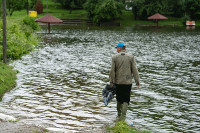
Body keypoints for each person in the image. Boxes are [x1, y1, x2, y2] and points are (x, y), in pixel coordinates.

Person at [109, 42, 140, 121]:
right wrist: (137, 81)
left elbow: (112, 71)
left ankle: (118, 115)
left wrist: (111, 82)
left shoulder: (114, 57)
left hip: (118, 82)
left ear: (119, 48)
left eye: (117, 48)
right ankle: (123, 117)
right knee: (126, 99)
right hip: (127, 82)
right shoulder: (131, 57)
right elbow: (135, 70)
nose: (116, 49)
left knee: (119, 99)